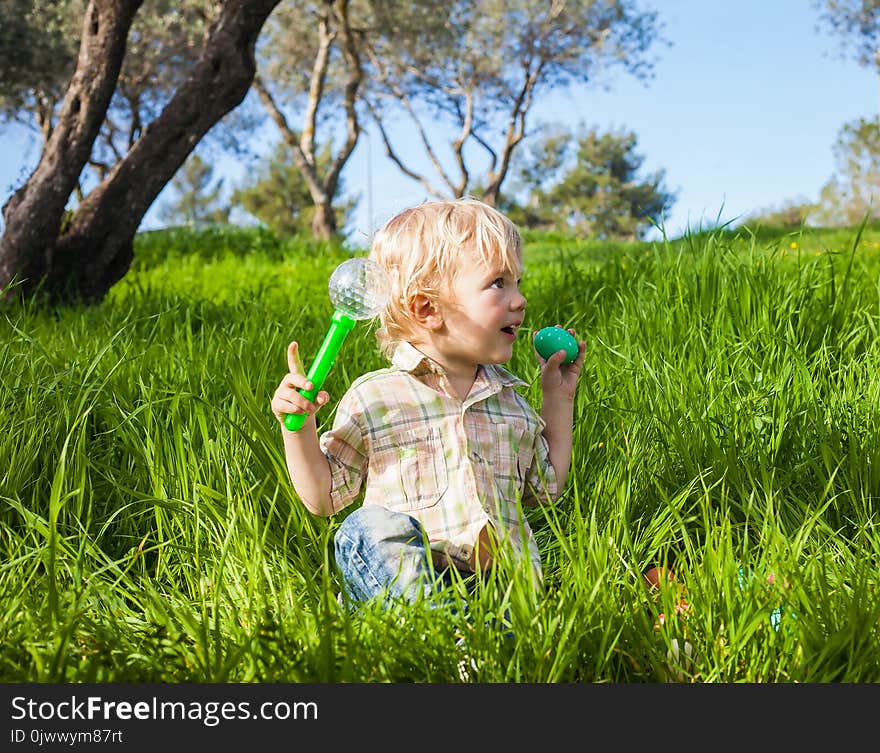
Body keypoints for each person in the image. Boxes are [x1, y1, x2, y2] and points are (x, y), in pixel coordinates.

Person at [270, 197, 585, 608]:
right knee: (366, 527)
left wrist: (557, 398)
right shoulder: (376, 399)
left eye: (518, 283)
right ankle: (440, 627)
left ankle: (473, 641)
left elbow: (547, 486)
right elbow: (323, 497)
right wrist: (298, 428)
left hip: (501, 589)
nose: (520, 299)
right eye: (498, 283)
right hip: (405, 581)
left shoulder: (511, 402)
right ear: (427, 309)